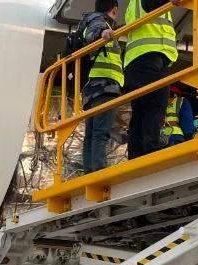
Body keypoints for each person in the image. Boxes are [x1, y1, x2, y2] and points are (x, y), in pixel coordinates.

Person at [122, 0, 177, 158]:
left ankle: (135, 154)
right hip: (150, 58)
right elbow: (152, 3)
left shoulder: (132, 4)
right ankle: (151, 149)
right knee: (155, 105)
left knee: (140, 110)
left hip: (135, 63)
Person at [79, 0, 123, 174]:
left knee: (92, 132)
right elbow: (94, 33)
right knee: (100, 131)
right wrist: (103, 33)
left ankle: (89, 170)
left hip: (93, 87)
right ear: (114, 9)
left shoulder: (90, 21)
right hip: (104, 85)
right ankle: (98, 169)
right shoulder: (99, 21)